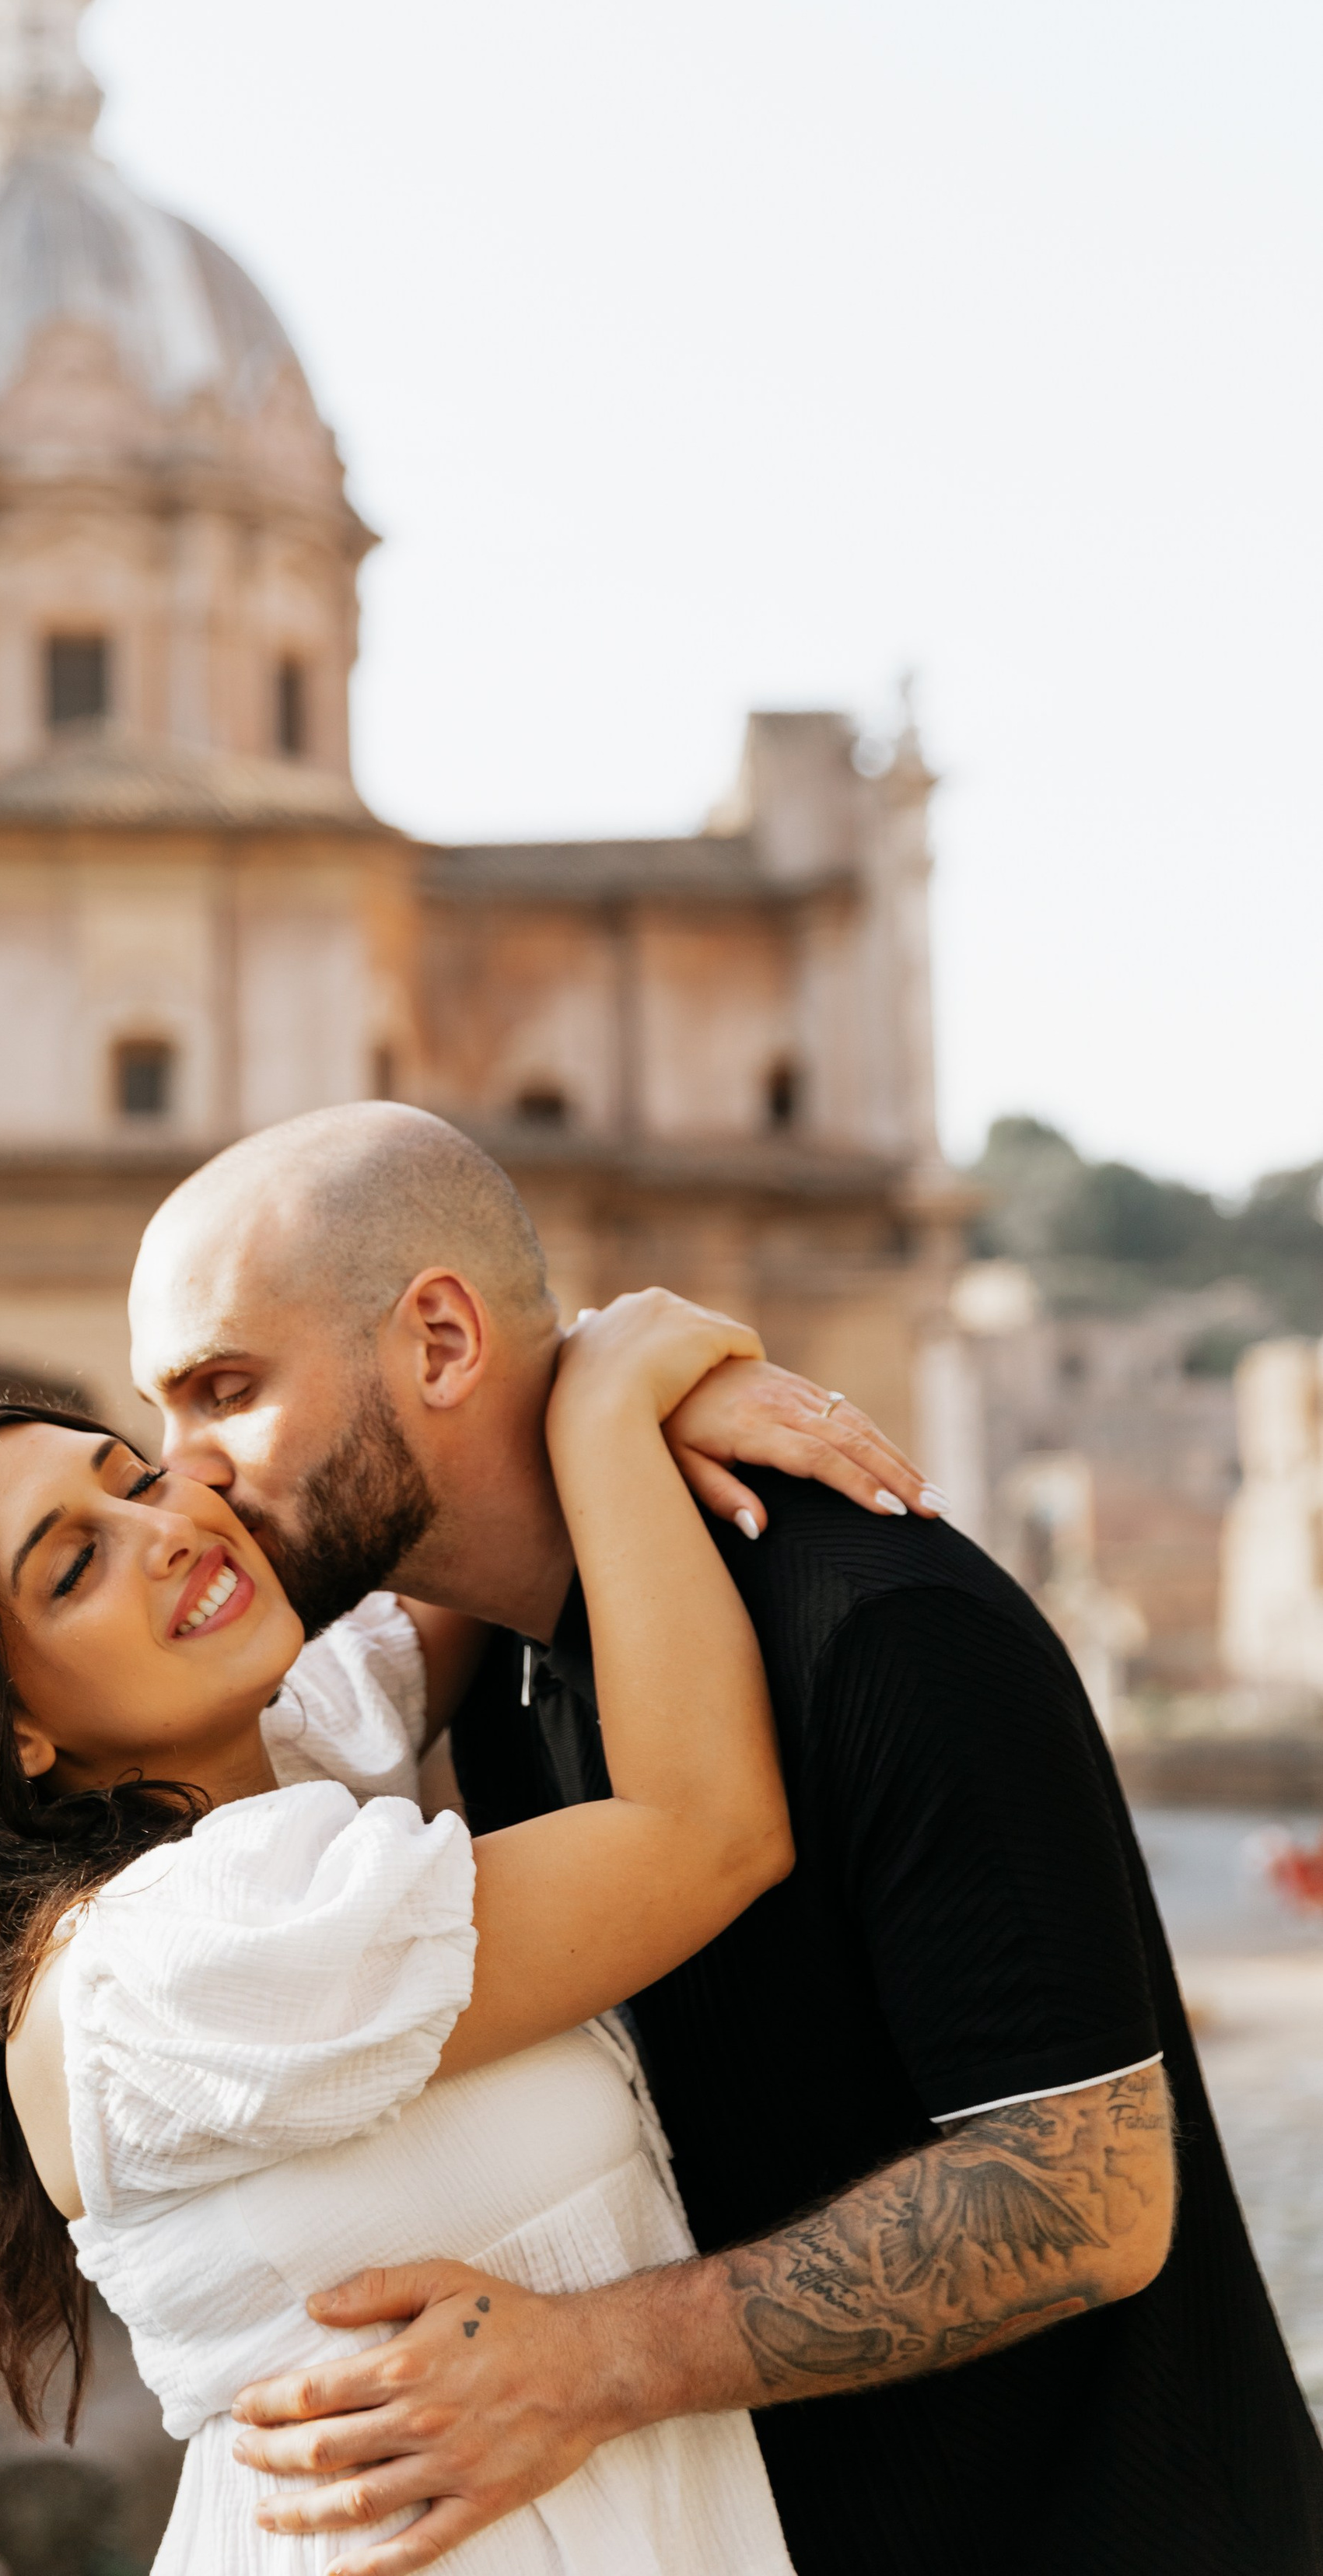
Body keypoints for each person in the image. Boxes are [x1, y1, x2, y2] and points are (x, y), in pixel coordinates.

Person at [128, 1103, 1323, 2576]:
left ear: (440, 1343)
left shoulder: (879, 1623)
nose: (184, 1473)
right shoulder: (494, 1674)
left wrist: (588, 2361)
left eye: (224, 1390)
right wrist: (608, 1393)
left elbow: (1086, 2192)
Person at [0, 1287, 821, 2574]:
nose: (162, 1528)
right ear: (2, 1735)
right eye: (75, 1563)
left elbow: (455, 1519)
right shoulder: (172, 1958)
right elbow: (709, 1832)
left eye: (140, 1478)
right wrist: (616, 1402)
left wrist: (575, 1351)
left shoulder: (267, 1764)